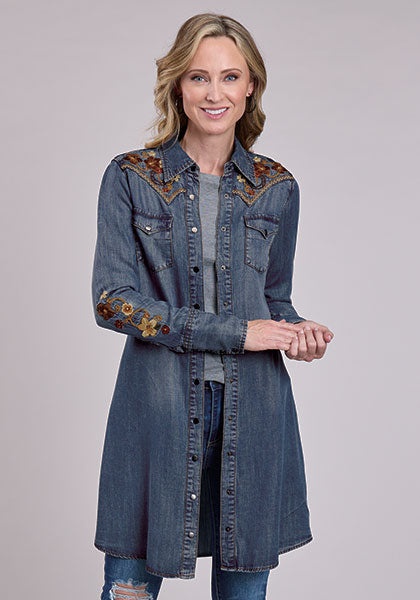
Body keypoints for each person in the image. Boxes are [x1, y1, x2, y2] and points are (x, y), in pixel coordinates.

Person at [92, 12, 334, 600]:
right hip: (158, 411)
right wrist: (239, 333)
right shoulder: (132, 177)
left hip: (255, 414)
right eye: (199, 77)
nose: (214, 93)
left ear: (251, 87)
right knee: (129, 591)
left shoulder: (276, 186)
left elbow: (273, 299)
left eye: (230, 77)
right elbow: (113, 302)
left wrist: (296, 333)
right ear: (178, 85)